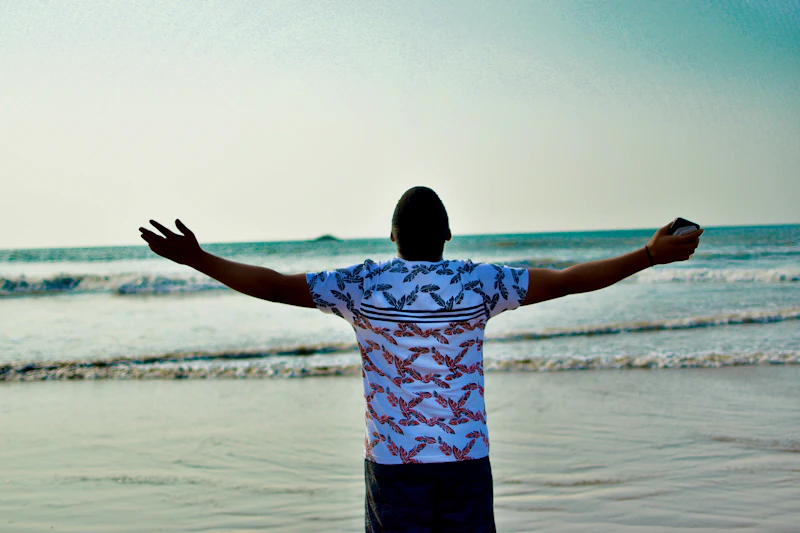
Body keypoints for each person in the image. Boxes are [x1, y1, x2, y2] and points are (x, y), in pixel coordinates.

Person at [139, 186, 702, 532]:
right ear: (449, 235)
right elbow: (571, 280)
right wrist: (649, 254)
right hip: (465, 461)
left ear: (392, 235)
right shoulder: (480, 282)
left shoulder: (360, 284)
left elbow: (272, 284)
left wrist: (200, 259)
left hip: (393, 467)